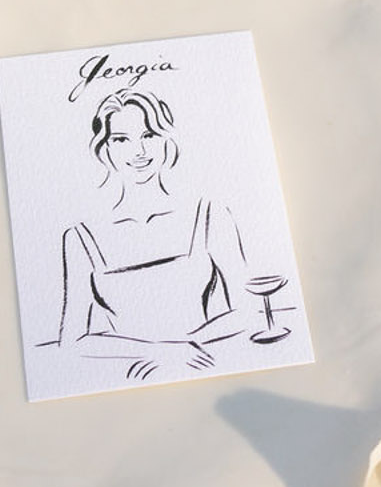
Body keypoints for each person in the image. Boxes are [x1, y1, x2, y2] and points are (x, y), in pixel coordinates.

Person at [56, 88, 251, 381]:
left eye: (148, 135)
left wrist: (186, 347)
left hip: (208, 368)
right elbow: (73, 342)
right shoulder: (81, 238)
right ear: (105, 149)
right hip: (130, 381)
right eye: (122, 139)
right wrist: (161, 351)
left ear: (166, 139)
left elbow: (247, 310)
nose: (139, 151)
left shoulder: (210, 215)